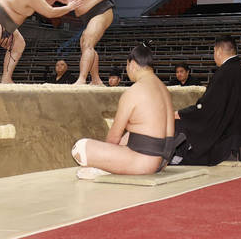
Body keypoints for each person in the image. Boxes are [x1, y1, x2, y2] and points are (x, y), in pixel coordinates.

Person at [71, 42, 180, 179]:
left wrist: (106, 160)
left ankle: (107, 169)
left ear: (133, 65)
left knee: (80, 148)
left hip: (145, 162)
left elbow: (113, 138)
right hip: (163, 160)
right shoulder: (164, 89)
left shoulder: (134, 91)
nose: (127, 70)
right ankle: (118, 165)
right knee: (129, 134)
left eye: (127, 66)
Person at [172, 35, 241, 165]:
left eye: (214, 52)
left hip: (229, 131)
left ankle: (178, 155)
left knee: (180, 123)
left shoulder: (223, 73)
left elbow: (208, 108)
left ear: (219, 51)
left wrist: (182, 113)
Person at [51, 0, 116, 86]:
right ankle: (96, 80)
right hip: (86, 18)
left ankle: (82, 79)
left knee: (87, 42)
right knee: (85, 44)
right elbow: (48, 2)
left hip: (102, 11)